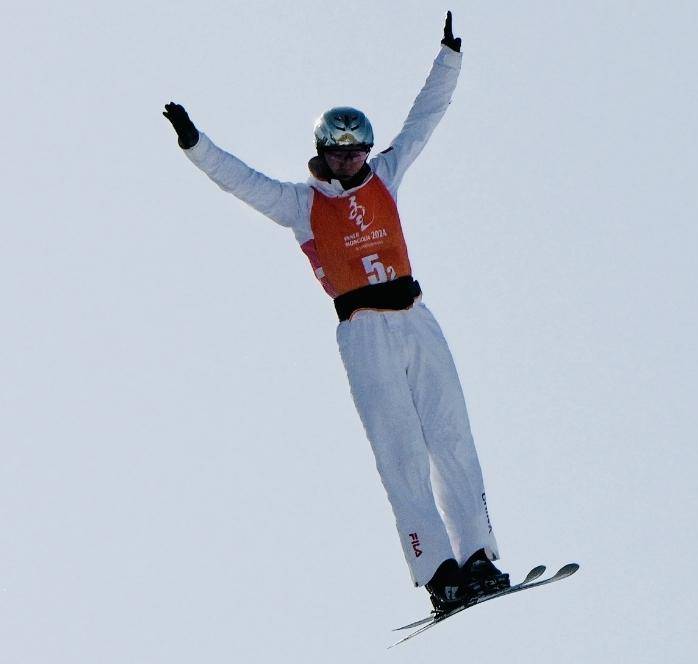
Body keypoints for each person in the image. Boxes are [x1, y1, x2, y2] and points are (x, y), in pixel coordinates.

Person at [163, 11, 507, 612]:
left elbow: (422, 121)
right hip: (363, 332)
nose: (351, 161)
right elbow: (239, 181)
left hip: (415, 315)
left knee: (451, 435)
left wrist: (449, 59)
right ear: (323, 151)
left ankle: (477, 556)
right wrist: (195, 145)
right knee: (400, 451)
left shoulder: (387, 177)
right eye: (339, 152)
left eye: (358, 151)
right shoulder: (299, 205)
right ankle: (439, 573)